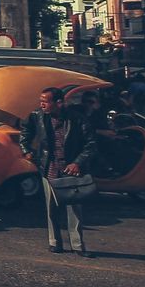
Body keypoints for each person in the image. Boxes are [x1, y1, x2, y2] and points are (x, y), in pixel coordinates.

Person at [21, 86, 95, 256]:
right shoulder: (37, 116)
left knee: (74, 207)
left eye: (45, 102)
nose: (42, 105)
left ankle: (78, 245)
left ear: (59, 103)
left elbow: (90, 144)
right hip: (49, 166)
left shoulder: (77, 119)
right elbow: (25, 131)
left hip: (71, 169)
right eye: (40, 102)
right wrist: (26, 149)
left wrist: (78, 163)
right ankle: (54, 242)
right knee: (51, 206)